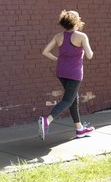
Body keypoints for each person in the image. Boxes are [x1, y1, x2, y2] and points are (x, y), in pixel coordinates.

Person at [38, 10, 95, 140]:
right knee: (68, 100)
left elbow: (45, 52)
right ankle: (47, 120)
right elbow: (89, 55)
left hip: (61, 71)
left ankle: (80, 129)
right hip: (74, 73)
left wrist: (58, 60)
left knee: (73, 100)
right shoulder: (81, 36)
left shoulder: (58, 36)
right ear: (76, 21)